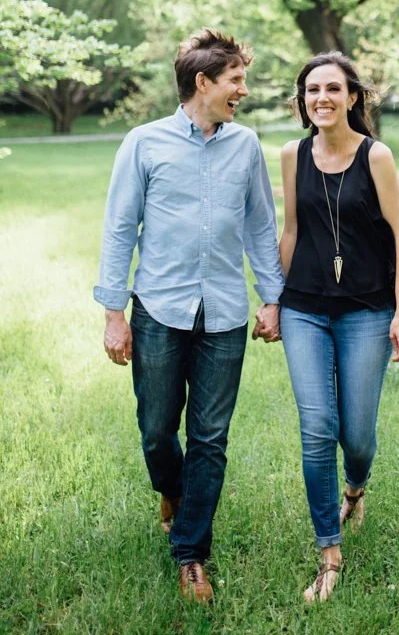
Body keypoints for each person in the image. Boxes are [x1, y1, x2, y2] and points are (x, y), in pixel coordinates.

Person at [93, 29, 283, 603]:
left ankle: (191, 553)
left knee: (210, 437)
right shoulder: (144, 143)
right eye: (235, 80)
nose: (243, 90)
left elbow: (259, 225)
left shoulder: (245, 145)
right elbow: (120, 228)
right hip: (158, 309)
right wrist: (113, 312)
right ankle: (170, 489)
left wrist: (271, 298)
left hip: (224, 314)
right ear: (203, 83)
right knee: (156, 431)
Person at [259, 51, 399, 603]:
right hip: (303, 307)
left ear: (352, 97)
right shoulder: (290, 154)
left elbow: (397, 237)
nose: (320, 98)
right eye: (310, 90)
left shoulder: (377, 156)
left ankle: (356, 487)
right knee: (317, 426)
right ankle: (329, 552)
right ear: (302, 101)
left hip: (367, 310)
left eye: (332, 88)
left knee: (358, 436)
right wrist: (273, 301)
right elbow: (292, 231)